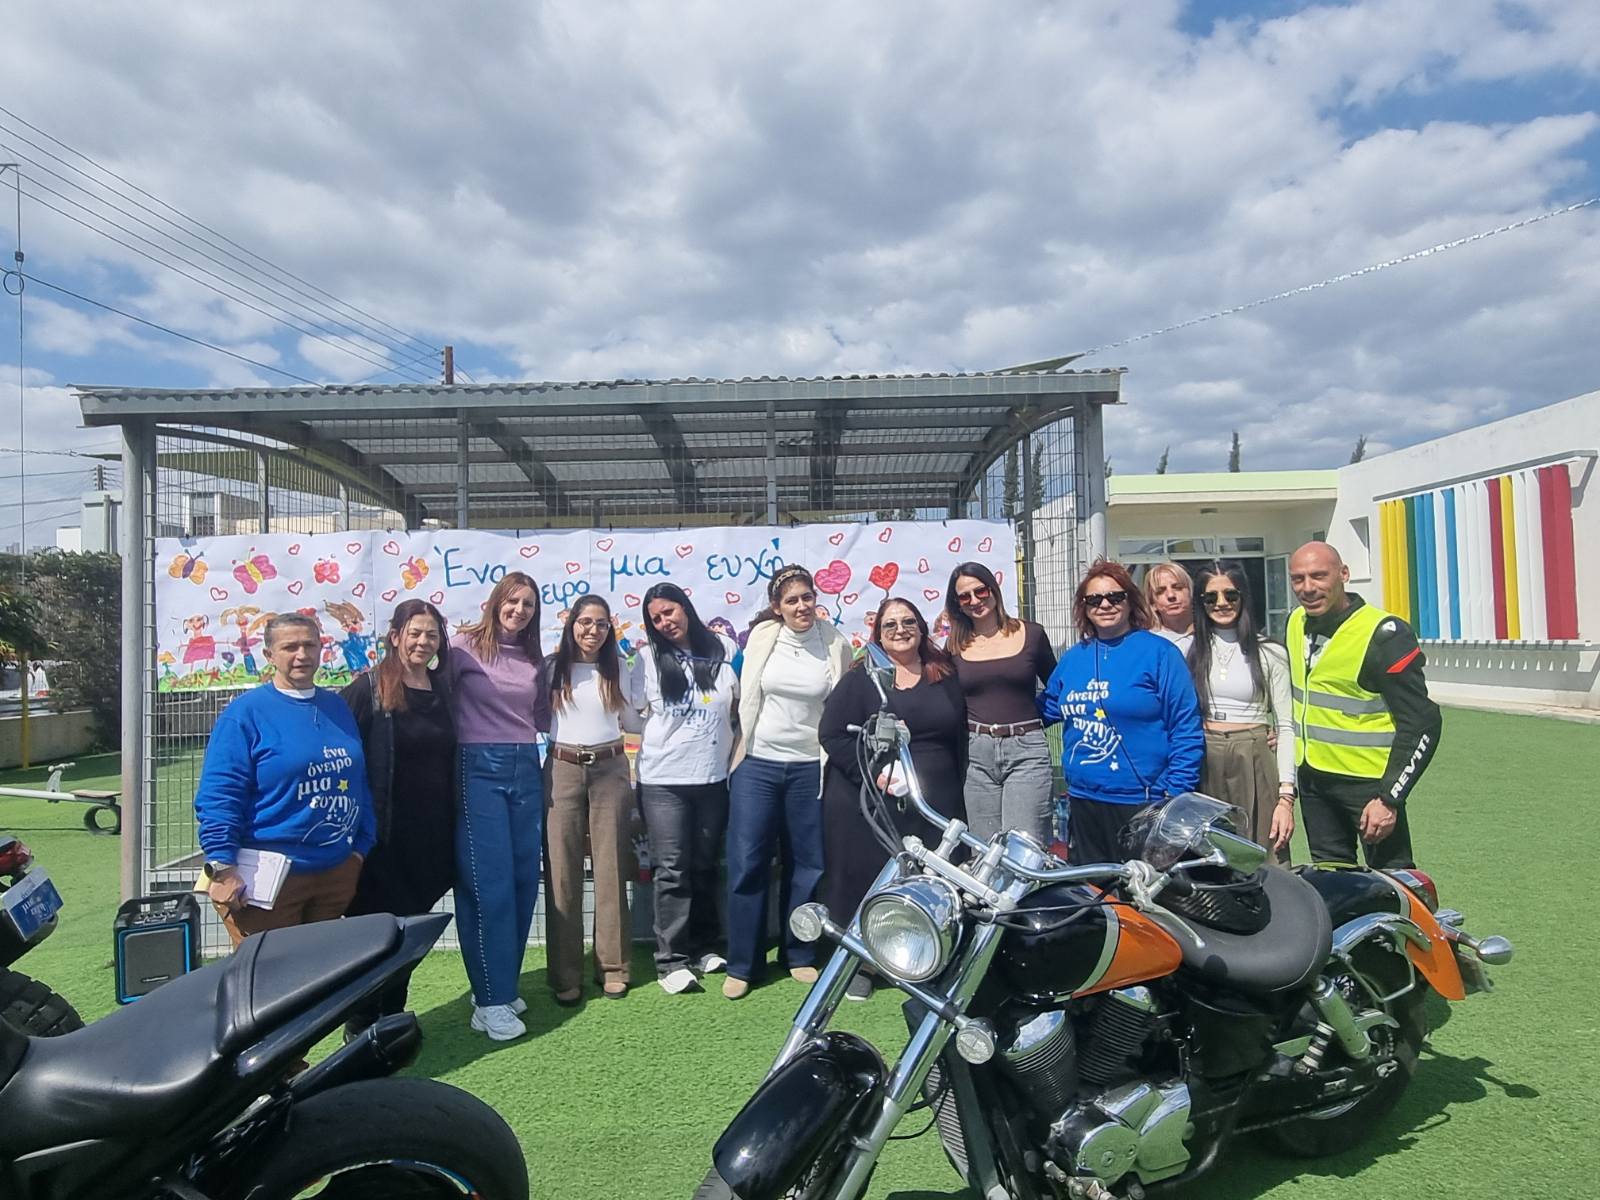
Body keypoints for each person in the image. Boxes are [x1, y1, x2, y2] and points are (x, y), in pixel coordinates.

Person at [196, 612, 375, 947]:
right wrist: (222, 866)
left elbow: (359, 780)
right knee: (268, 973)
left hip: (335, 872)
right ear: (269, 655)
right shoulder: (245, 714)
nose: (301, 655)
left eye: (310, 645)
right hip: (266, 880)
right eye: (290, 647)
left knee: (324, 970)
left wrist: (360, 850)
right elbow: (220, 794)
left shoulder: (337, 707)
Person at [819, 597, 966, 999]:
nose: (900, 630)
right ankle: (862, 962)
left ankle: (922, 957)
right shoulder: (862, 679)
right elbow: (831, 735)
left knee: (927, 881)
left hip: (935, 800)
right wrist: (875, 773)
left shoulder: (944, 674)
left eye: (908, 622)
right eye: (890, 625)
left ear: (921, 627)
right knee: (868, 879)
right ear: (878, 634)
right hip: (875, 798)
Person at [724, 565, 853, 999]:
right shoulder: (761, 638)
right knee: (747, 861)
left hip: (809, 767)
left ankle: (799, 953)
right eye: (792, 600)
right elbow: (738, 694)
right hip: (757, 763)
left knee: (808, 864)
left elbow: (842, 704)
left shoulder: (835, 643)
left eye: (807, 597)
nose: (802, 606)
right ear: (776, 608)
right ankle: (743, 964)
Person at [1286, 542, 1441, 869]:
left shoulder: (1384, 634)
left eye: (1318, 576)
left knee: (1394, 880)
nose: (1307, 588)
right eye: (1298, 579)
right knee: (1331, 878)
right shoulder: (1294, 622)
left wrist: (1390, 797)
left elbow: (1423, 723)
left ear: (1344, 574)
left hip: (1369, 786)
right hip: (1314, 782)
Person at [340, 599, 457, 1034]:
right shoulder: (368, 688)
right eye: (415, 633)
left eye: (431, 634)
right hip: (381, 840)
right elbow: (339, 752)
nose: (423, 642)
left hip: (431, 838)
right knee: (374, 936)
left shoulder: (444, 690)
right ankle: (360, 1021)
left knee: (409, 933)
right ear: (395, 637)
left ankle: (391, 1017)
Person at [1038, 561, 1203, 866]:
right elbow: (1044, 711)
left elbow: (1185, 727)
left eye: (1115, 597)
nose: (1105, 605)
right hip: (1084, 802)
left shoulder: (1159, 653)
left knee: (1143, 891)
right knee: (1091, 889)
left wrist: (1175, 792)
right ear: (1084, 607)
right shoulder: (1074, 659)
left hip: (1143, 802)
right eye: (1094, 599)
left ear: (1130, 602)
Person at [447, 572, 551, 1042]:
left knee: (524, 881)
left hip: (526, 763)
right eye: (512, 601)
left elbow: (542, 714)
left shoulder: (533, 656)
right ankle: (489, 1002)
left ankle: (501, 985)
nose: (519, 610)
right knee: (488, 885)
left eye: (528, 604)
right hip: (477, 767)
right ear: (495, 602)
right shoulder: (462, 648)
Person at [634, 583, 742, 995]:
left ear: (685, 608)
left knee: (705, 865)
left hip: (712, 778)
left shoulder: (725, 649)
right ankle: (671, 960)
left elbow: (740, 706)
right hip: (664, 781)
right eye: (656, 618)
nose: (665, 622)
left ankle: (704, 946)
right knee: (672, 869)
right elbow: (631, 713)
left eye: (670, 611)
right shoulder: (647, 659)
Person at [543, 595, 642, 1005]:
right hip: (562, 766)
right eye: (586, 622)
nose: (593, 631)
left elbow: (632, 719)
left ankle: (614, 968)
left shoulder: (618, 666)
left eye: (602, 624)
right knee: (561, 874)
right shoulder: (552, 667)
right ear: (572, 625)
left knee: (611, 868)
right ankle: (565, 974)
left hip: (610, 767)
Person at [1187, 562, 1296, 861]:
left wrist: (1286, 796)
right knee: (1207, 858)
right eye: (1211, 597)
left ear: (1243, 596)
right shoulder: (1190, 650)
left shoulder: (1270, 652)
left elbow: (1287, 726)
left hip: (1253, 755)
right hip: (1204, 756)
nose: (1221, 603)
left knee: (1264, 854)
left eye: (1230, 595)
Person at [943, 561, 1056, 844]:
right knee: (983, 849)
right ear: (957, 605)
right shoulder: (954, 646)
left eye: (980, 591)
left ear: (993, 590)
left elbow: (1056, 687)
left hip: (1026, 752)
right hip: (976, 754)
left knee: (1024, 846)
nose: (975, 601)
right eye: (964, 597)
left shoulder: (1031, 634)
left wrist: (1033, 720)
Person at [1144, 562, 1196, 654]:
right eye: (1160, 591)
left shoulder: (1212, 634)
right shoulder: (1147, 643)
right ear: (1152, 603)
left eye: (1178, 588)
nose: (1171, 595)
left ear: (1191, 592)